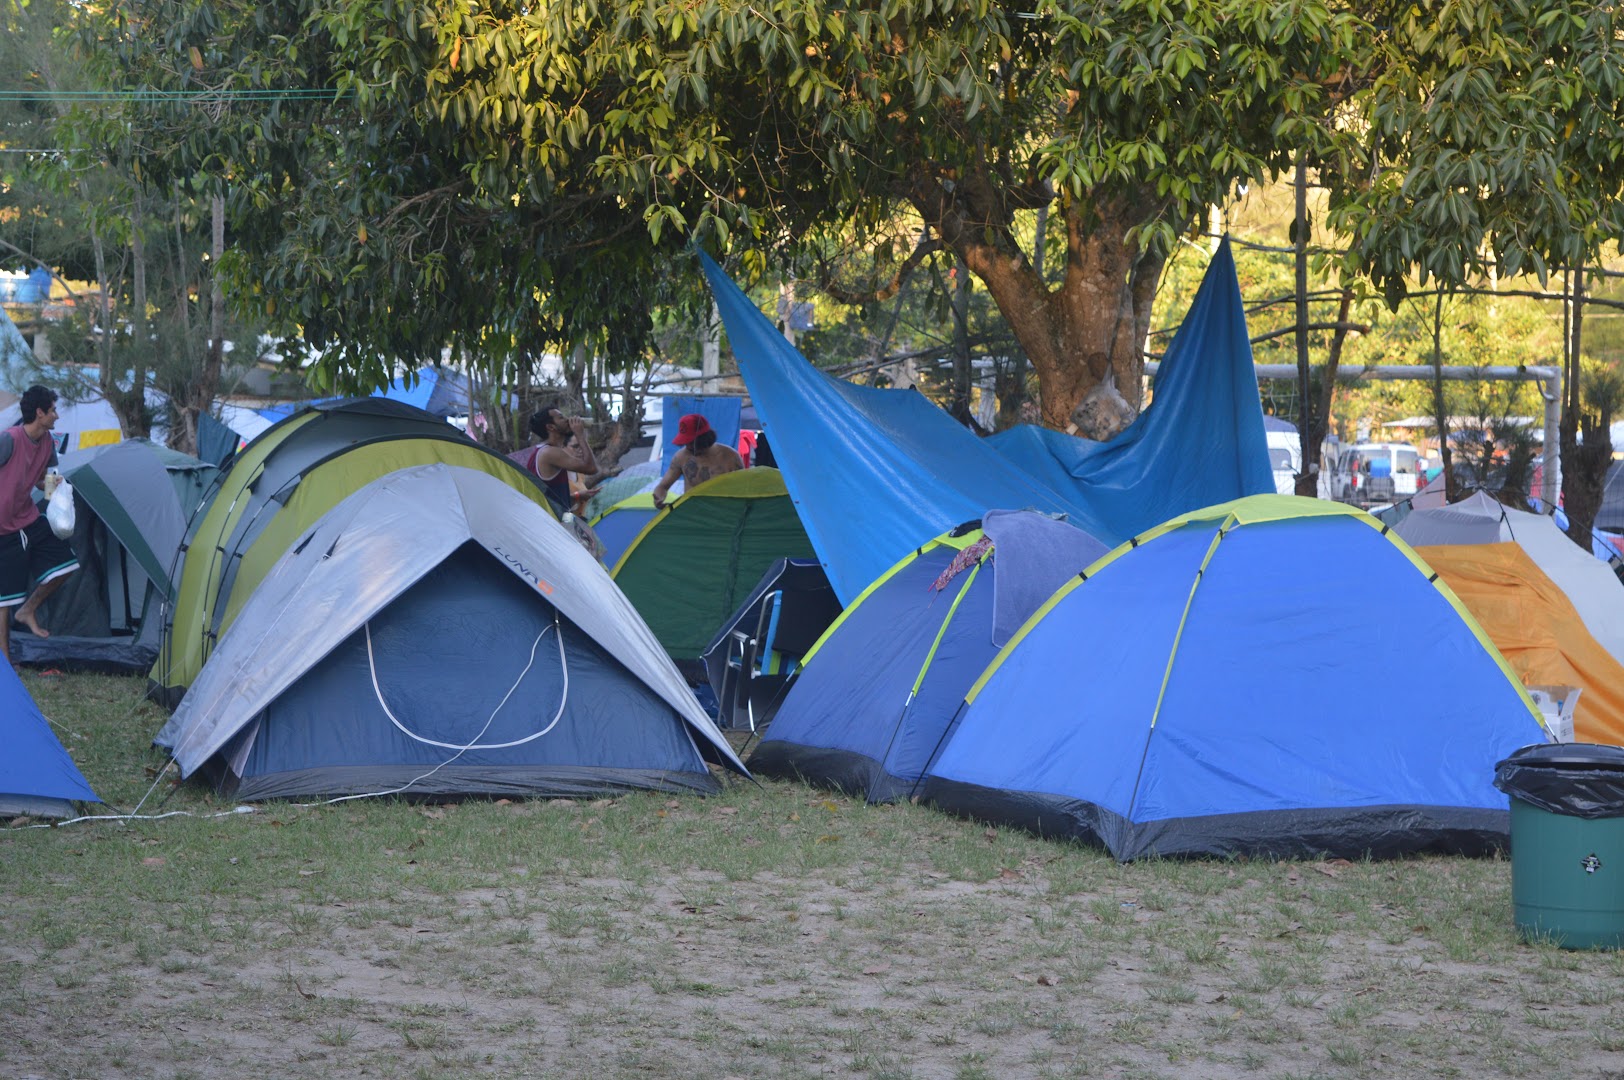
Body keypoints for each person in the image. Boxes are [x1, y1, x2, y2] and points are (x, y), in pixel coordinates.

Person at [0, 385, 78, 666]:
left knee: (66, 565)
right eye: (53, 410)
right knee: (3, 601)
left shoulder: (47, 443)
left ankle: (28, 610)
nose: (57, 415)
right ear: (40, 412)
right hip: (3, 529)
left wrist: (58, 490)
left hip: (29, 518)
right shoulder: (9, 440)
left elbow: (41, 483)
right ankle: (6, 664)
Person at [513, 407, 599, 518]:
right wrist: (580, 435)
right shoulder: (549, 452)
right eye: (561, 417)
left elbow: (551, 499)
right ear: (551, 427)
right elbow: (591, 468)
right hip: (549, 522)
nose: (567, 419)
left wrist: (577, 496)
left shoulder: (545, 451)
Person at [652, 413, 744, 510]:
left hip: (723, 512)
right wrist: (659, 498)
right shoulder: (680, 457)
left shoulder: (730, 457)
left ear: (705, 438)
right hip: (693, 513)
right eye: (686, 442)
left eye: (692, 442)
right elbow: (662, 487)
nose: (689, 446)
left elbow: (744, 489)